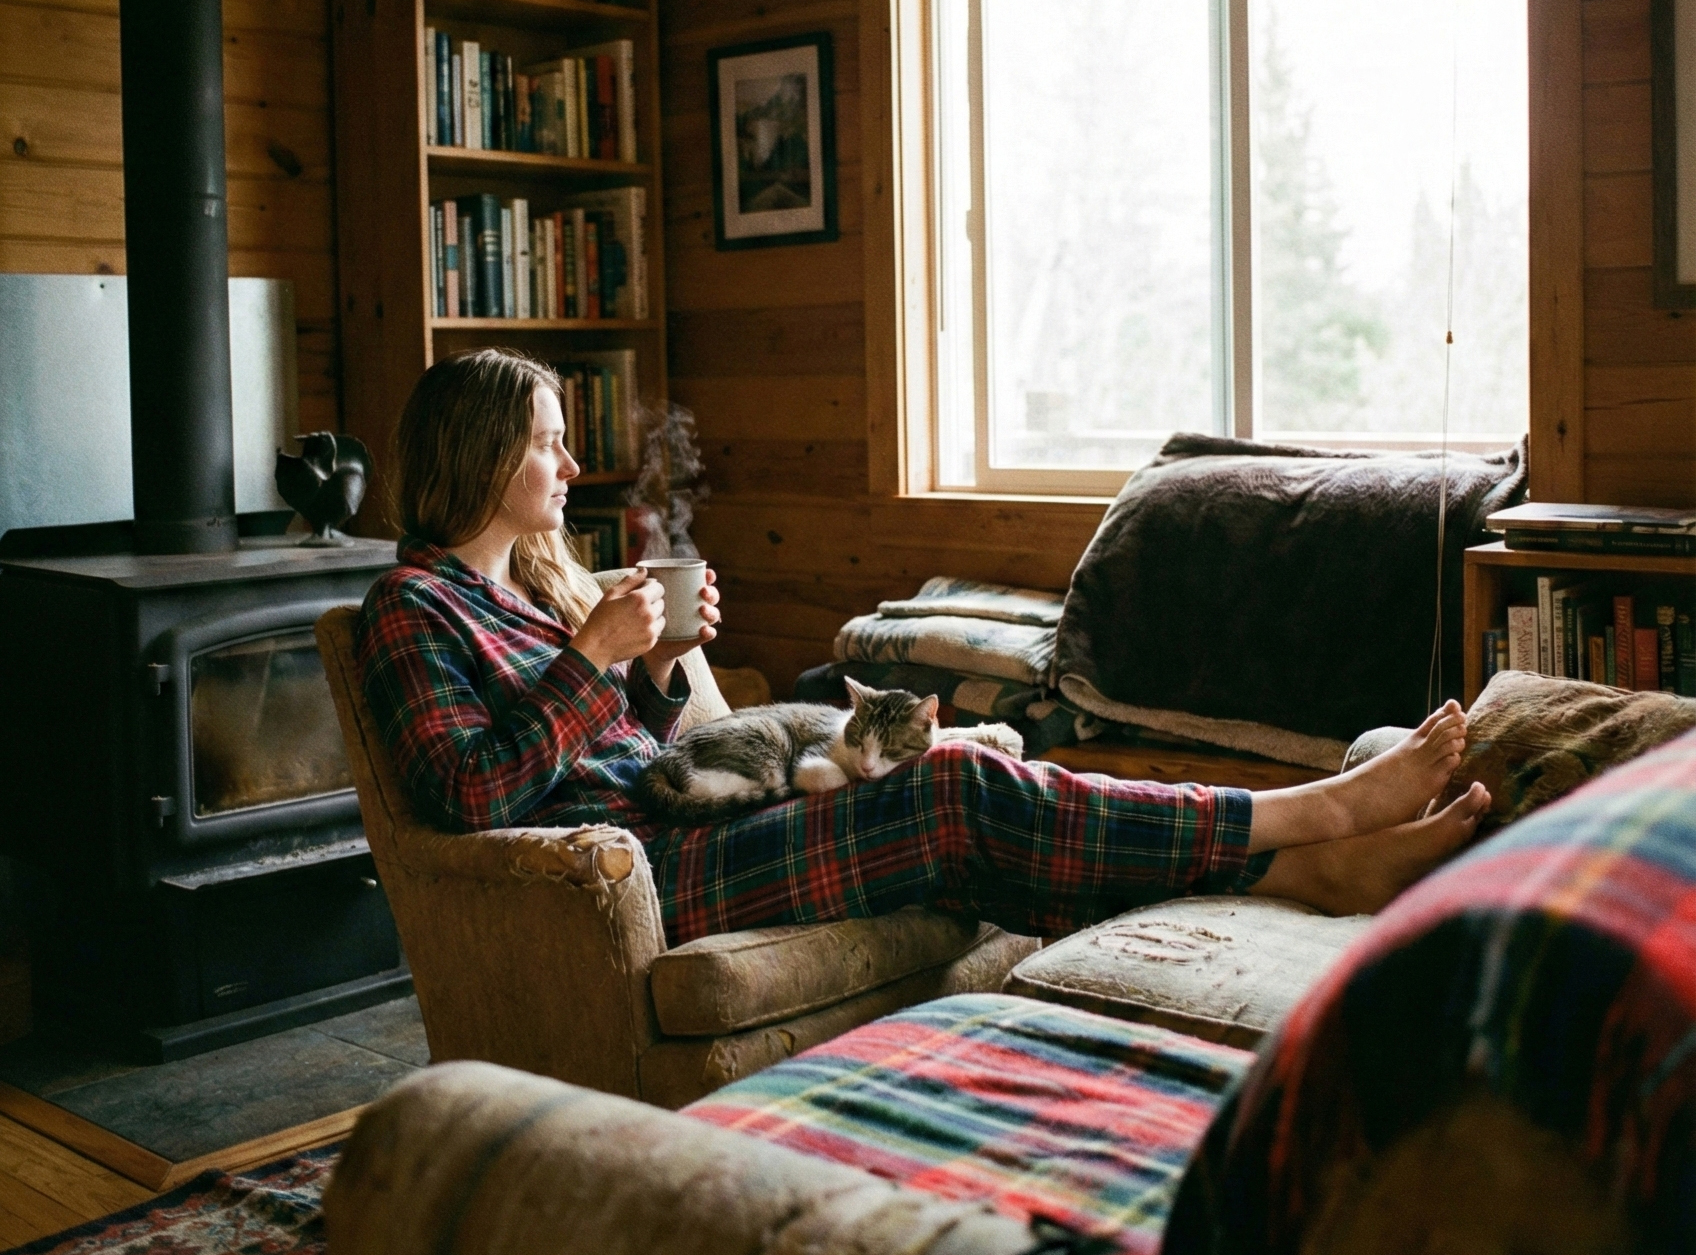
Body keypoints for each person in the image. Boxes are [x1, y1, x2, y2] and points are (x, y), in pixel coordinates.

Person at [357, 349, 1490, 947]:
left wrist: (650, 675)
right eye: (546, 445)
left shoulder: (542, 586)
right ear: (482, 455)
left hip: (685, 820)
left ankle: (1310, 868)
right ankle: (1305, 816)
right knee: (956, 786)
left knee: (976, 822)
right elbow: (469, 795)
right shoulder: (412, 607)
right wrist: (591, 658)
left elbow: (631, 748)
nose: (568, 466)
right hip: (632, 872)